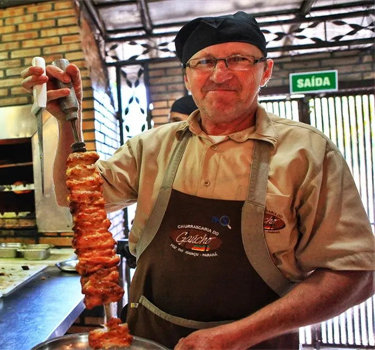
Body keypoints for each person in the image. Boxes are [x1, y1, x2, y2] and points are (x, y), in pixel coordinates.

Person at [21, 11, 375, 350]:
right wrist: (68, 120)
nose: (220, 74)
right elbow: (77, 198)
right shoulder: (151, 146)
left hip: (258, 345)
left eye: (238, 59)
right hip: (150, 339)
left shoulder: (308, 152)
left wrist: (238, 336)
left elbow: (354, 272)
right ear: (187, 77)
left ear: (265, 71)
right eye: (204, 62)